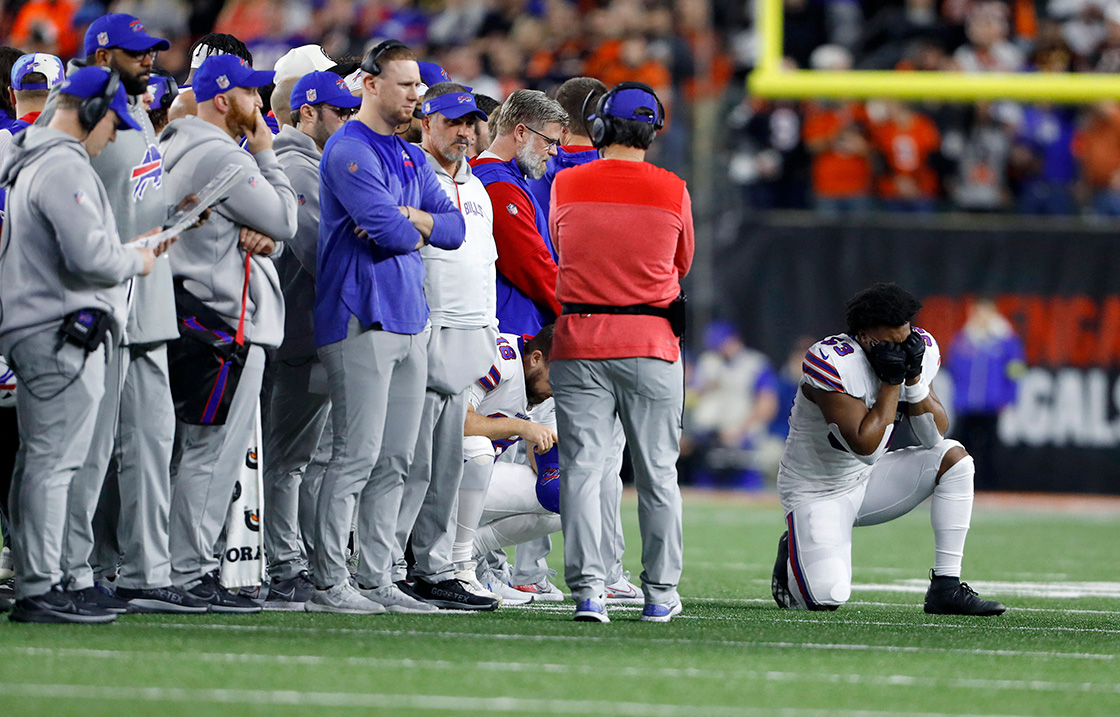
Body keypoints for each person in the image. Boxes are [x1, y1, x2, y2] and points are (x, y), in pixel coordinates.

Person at [0, 66, 170, 623]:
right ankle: (42, 586)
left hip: (35, 325)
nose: (113, 135)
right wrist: (137, 258)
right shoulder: (62, 164)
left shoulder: (33, 157)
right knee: (55, 465)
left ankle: (41, 580)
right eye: (112, 123)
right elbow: (91, 257)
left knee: (38, 463)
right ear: (92, 112)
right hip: (58, 329)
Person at [310, 40, 465, 614]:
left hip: (407, 315)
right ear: (370, 85)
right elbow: (392, 233)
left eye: (418, 85)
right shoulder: (349, 148)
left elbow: (454, 230)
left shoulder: (407, 154)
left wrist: (410, 217)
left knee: (397, 459)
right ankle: (329, 581)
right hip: (359, 314)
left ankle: (376, 578)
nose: (416, 95)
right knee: (356, 455)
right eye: (406, 85)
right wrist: (413, 223)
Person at [770, 282, 1006, 616]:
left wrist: (914, 379)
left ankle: (946, 586)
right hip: (816, 490)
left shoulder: (918, 346)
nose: (901, 347)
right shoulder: (832, 362)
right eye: (890, 342)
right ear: (864, 336)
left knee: (954, 459)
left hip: (868, 480)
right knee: (826, 596)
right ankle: (793, 550)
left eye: (904, 337)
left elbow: (934, 436)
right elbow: (866, 447)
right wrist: (891, 383)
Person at [550, 82, 693, 623]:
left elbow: (561, 246)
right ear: (653, 132)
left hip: (579, 340)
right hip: (652, 343)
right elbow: (682, 263)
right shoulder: (674, 189)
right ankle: (659, 593)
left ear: (601, 127)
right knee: (658, 474)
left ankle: (589, 592)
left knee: (582, 469)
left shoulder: (565, 182)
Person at [160, 53, 297, 612]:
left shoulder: (175, 144)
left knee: (180, 452)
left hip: (184, 312)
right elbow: (285, 217)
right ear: (223, 99)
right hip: (221, 322)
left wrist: (268, 233)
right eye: (249, 93)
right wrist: (264, 149)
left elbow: (272, 230)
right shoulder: (224, 154)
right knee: (210, 454)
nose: (259, 104)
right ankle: (187, 570)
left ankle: (165, 566)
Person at [390, 82, 499, 611]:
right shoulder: (411, 172)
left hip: (469, 333)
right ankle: (388, 565)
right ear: (426, 120)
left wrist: (488, 331)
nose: (464, 131)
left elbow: (485, 262)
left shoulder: (476, 187)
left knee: (447, 465)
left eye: (470, 122)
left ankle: (431, 568)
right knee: (410, 462)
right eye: (453, 121)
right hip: (427, 329)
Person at [259, 71, 360, 611]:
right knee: (287, 461)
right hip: (293, 334)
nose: (347, 121)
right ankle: (282, 566)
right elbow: (321, 251)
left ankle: (296, 563)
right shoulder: (296, 164)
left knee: (302, 461)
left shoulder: (311, 162)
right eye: (340, 112)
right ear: (308, 112)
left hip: (300, 331)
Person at [462, 327, 559, 605]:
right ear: (536, 358)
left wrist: (560, 465)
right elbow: (459, 421)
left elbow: (539, 459)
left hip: (471, 480)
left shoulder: (544, 390)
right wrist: (521, 426)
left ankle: (467, 556)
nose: (557, 390)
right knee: (479, 449)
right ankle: (450, 563)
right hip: (436, 475)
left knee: (571, 497)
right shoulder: (499, 356)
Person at [469, 89, 566, 337]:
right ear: (521, 132)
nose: (554, 152)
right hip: (513, 332)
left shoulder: (496, 176)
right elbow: (531, 265)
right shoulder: (498, 185)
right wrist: (576, 310)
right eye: (549, 141)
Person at [947, 298, 1025, 491]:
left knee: (991, 447)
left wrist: (1010, 398)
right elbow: (953, 367)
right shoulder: (964, 338)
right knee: (963, 446)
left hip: (992, 403)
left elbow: (1016, 371)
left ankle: (990, 486)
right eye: (978, 312)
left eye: (985, 312)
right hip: (966, 404)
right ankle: (960, 483)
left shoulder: (1006, 339)